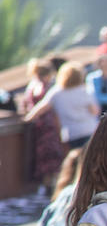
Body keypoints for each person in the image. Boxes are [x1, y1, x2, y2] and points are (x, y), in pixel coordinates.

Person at [25, 62, 99, 149]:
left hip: (71, 134)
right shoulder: (84, 90)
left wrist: (27, 119)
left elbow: (40, 108)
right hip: (89, 130)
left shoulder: (56, 92)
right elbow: (95, 111)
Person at [20, 59, 64, 192]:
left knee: (46, 156)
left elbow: (25, 105)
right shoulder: (46, 87)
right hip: (48, 125)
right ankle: (50, 186)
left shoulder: (32, 86)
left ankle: (47, 185)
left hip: (39, 126)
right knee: (51, 156)